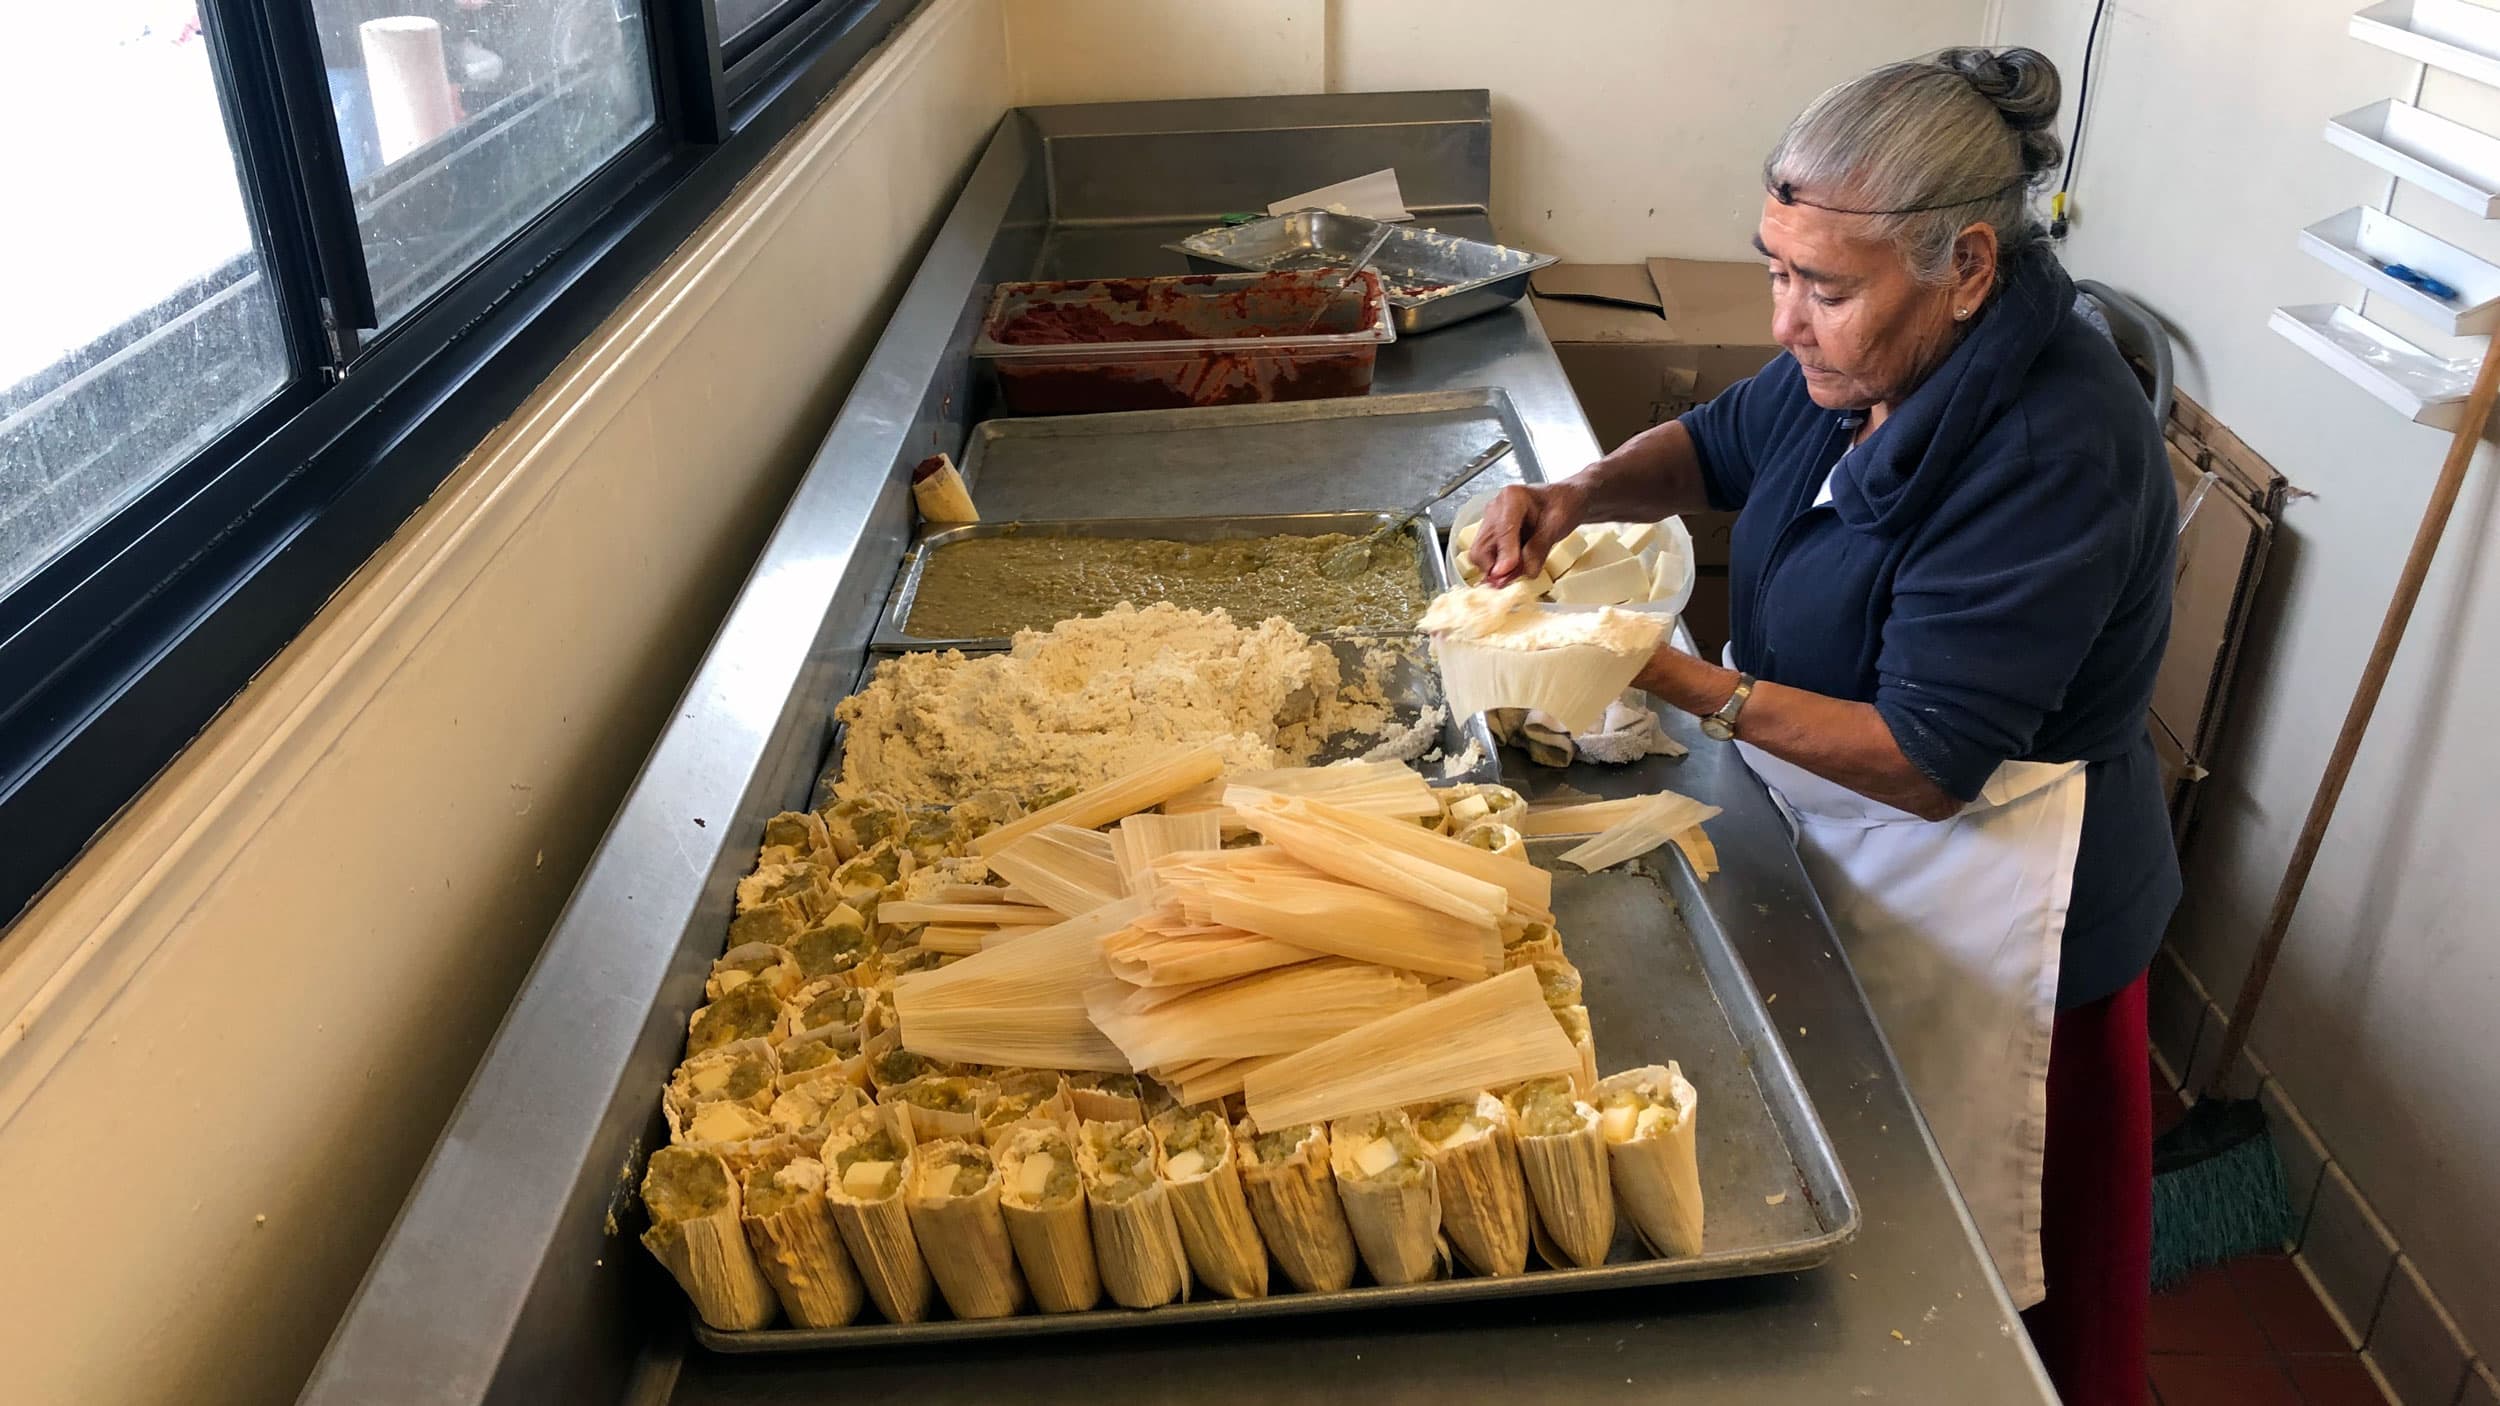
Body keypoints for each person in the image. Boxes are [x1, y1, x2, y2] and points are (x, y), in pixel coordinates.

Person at [1470, 47, 2177, 1406]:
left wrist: (1654, 671)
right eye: (1775, 269)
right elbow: (1716, 445)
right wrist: (1580, 493)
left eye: (1825, 288)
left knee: (1995, 1285)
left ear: (1969, 265)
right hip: (1840, 840)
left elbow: (1923, 760)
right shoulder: (1858, 358)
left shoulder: (2051, 447)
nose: (1786, 320)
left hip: (2003, 912)